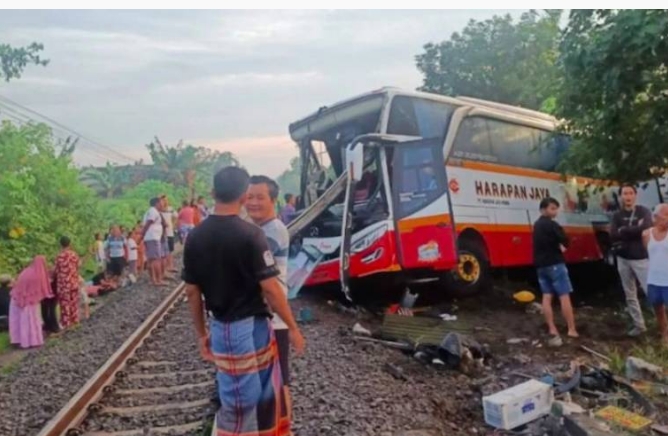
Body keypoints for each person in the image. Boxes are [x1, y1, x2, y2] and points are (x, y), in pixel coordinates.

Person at [183, 166, 305, 436]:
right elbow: (271, 290)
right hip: (248, 327)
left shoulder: (194, 237)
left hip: (220, 324)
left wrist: (201, 333)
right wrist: (293, 327)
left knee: (242, 392)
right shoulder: (251, 235)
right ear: (242, 196)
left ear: (213, 193)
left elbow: (192, 292)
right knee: (246, 398)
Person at [247, 175, 294, 416]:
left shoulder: (272, 232)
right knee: (270, 380)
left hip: (274, 317)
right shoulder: (258, 230)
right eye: (249, 197)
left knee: (279, 380)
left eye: (260, 197)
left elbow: (254, 275)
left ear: (273, 200)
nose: (253, 202)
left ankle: (284, 429)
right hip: (265, 316)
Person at [533, 197, 578, 346]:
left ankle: (552, 328)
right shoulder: (553, 225)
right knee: (564, 296)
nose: (555, 211)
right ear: (544, 209)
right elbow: (565, 240)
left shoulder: (536, 225)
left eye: (556, 208)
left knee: (547, 297)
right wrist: (562, 247)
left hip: (541, 266)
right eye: (552, 208)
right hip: (555, 264)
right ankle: (571, 329)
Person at [610, 184, 653, 337]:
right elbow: (613, 234)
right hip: (623, 258)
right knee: (630, 294)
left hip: (641, 257)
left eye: (630, 193)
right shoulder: (617, 215)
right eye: (624, 193)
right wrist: (636, 229)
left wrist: (624, 230)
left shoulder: (644, 211)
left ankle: (663, 324)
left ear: (635, 195)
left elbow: (648, 226)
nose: (627, 196)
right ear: (621, 196)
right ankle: (639, 325)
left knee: (652, 292)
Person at [9, 256, 52, 348]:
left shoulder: (26, 271)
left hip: (17, 298)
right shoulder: (38, 275)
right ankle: (32, 341)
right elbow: (42, 289)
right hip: (30, 301)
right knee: (31, 321)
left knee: (19, 321)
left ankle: (18, 340)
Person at [643, 204, 668, 346]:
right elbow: (648, 252)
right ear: (656, 218)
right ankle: (665, 334)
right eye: (665, 217)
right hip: (654, 278)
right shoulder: (647, 234)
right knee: (658, 308)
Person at [54, 236, 81, 329]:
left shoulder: (59, 256)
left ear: (60, 244)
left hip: (63, 284)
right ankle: (75, 320)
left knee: (65, 303)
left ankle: (66, 322)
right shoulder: (74, 255)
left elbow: (56, 270)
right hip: (73, 281)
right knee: (74, 302)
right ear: (69, 244)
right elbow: (78, 266)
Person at [142, 197, 165, 286]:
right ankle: (158, 280)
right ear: (157, 203)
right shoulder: (153, 211)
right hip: (153, 238)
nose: (162, 204)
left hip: (150, 238)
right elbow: (149, 222)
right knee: (156, 260)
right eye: (161, 202)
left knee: (151, 260)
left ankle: (154, 280)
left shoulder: (150, 211)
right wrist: (143, 233)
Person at [159, 195, 177, 275]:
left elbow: (176, 216)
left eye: (166, 200)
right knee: (164, 251)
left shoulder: (171, 209)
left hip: (170, 232)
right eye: (163, 200)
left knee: (170, 250)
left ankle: (171, 266)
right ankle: (166, 267)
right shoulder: (158, 210)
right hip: (162, 233)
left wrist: (173, 225)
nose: (165, 202)